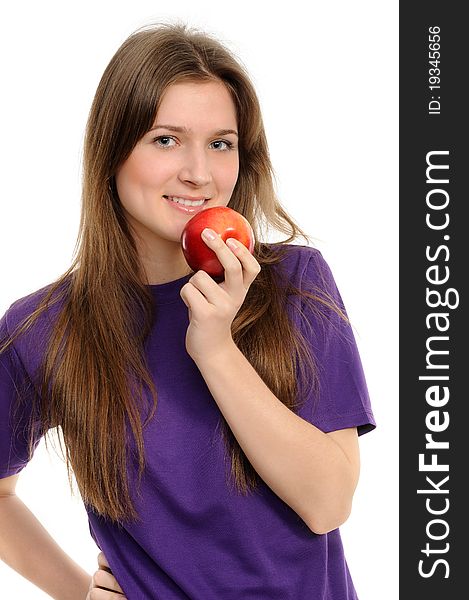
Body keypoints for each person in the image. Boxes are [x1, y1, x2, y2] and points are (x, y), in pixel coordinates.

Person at [0, 21, 376, 600]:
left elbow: (328, 503)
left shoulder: (294, 286)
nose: (199, 174)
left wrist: (216, 347)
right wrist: (77, 593)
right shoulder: (46, 330)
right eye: (166, 139)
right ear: (112, 151)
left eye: (221, 143)